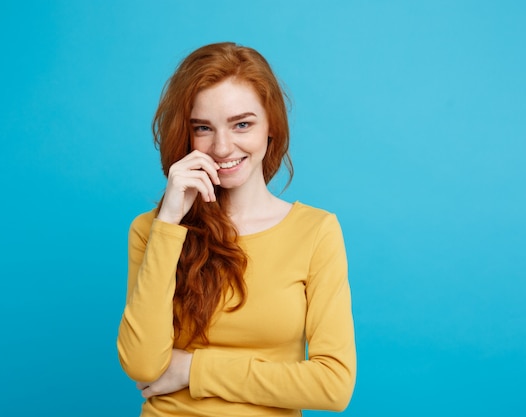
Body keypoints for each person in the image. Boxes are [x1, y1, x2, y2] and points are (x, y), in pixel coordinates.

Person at [117, 42, 356, 417]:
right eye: (203, 128)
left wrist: (193, 369)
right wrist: (168, 222)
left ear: (271, 127)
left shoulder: (316, 231)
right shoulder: (152, 230)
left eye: (242, 124)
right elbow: (143, 366)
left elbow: (333, 385)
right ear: (187, 135)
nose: (222, 147)